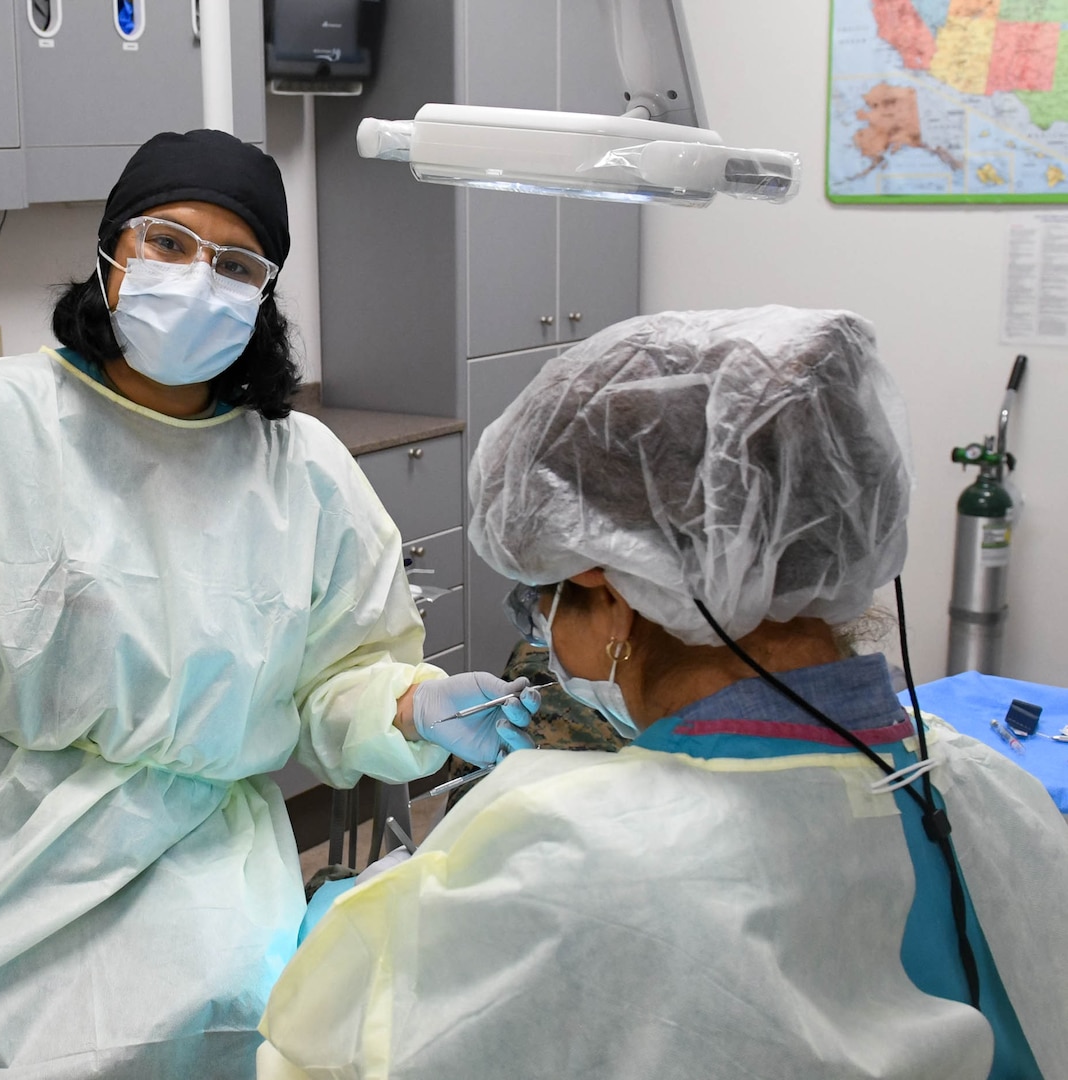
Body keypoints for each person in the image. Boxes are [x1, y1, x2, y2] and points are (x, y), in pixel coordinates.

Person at [0, 129, 532, 1079]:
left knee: (235, 1022)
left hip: (193, 863)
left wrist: (412, 705)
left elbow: (339, 677)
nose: (197, 278)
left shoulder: (305, 474)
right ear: (111, 254)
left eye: (235, 263)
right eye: (168, 243)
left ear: (266, 293)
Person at [257, 307, 1068, 1079]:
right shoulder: (992, 792)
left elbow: (332, 1045)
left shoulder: (577, 853)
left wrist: (364, 913)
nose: (541, 635)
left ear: (607, 591)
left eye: (538, 599)